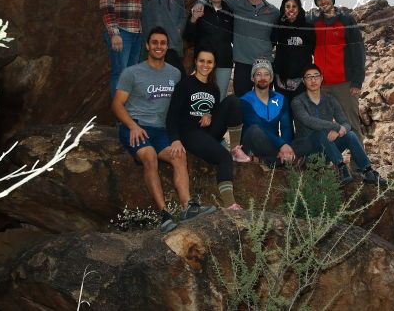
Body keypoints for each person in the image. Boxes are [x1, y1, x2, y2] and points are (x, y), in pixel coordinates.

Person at [112, 26, 216, 233]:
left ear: (167, 47)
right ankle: (164, 214)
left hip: (161, 131)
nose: (158, 46)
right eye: (155, 43)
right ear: (147, 46)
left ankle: (187, 208)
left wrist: (209, 113)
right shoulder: (132, 72)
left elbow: (186, 101)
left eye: (162, 43)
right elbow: (116, 105)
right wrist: (132, 126)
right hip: (137, 126)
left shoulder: (174, 73)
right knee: (150, 156)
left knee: (179, 155)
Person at [167, 48, 250, 210]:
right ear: (196, 62)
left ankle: (235, 148)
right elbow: (171, 115)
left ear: (214, 64)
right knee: (224, 157)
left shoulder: (214, 88)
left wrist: (210, 115)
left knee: (234, 101)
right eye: (202, 61)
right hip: (190, 133)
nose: (205, 65)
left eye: (209, 62)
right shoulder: (184, 85)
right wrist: (175, 139)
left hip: (209, 132)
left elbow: (216, 111)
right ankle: (230, 204)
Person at [291, 64, 387, 186]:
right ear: (303, 81)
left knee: (350, 135)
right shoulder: (297, 101)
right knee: (319, 133)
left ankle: (367, 171)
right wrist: (335, 127)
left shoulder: (329, 99)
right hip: (308, 152)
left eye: (316, 76)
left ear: (321, 78)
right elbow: (308, 121)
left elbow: (346, 123)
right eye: (309, 77)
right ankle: (341, 167)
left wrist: (340, 130)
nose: (313, 80)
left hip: (326, 150)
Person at [310, 0, 366, 136]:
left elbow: (358, 51)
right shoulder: (314, 23)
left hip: (344, 84)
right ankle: (326, 153)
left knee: (351, 124)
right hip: (322, 85)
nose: (323, 1)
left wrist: (357, 81)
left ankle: (358, 153)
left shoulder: (346, 20)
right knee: (323, 126)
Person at [240, 58, 315, 167]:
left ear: (271, 78)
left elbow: (286, 128)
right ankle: (287, 159)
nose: (262, 78)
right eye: (258, 74)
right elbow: (256, 126)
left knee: (310, 139)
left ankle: (272, 160)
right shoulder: (245, 100)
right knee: (255, 130)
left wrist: (285, 145)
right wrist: (282, 145)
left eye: (266, 74)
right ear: (252, 78)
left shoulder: (281, 99)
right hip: (254, 143)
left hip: (274, 145)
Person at [222, 0, 279, 97]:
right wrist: (200, 2)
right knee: (242, 101)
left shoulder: (274, 11)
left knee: (264, 102)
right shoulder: (236, 5)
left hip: (265, 64)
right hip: (242, 64)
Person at [184, 0, 234, 101]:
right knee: (201, 97)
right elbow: (188, 37)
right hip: (204, 62)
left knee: (220, 97)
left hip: (224, 63)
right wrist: (194, 19)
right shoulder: (199, 9)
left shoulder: (230, 12)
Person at [141, 0, 186, 72]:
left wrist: (178, 31)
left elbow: (182, 16)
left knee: (178, 79)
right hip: (150, 48)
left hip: (172, 46)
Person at [270, 0, 315, 105]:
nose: (291, 9)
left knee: (300, 112)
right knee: (284, 113)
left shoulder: (308, 27)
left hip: (301, 80)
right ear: (283, 9)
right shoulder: (278, 26)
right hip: (281, 79)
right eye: (287, 6)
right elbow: (271, 43)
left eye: (294, 6)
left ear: (299, 8)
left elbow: (313, 50)